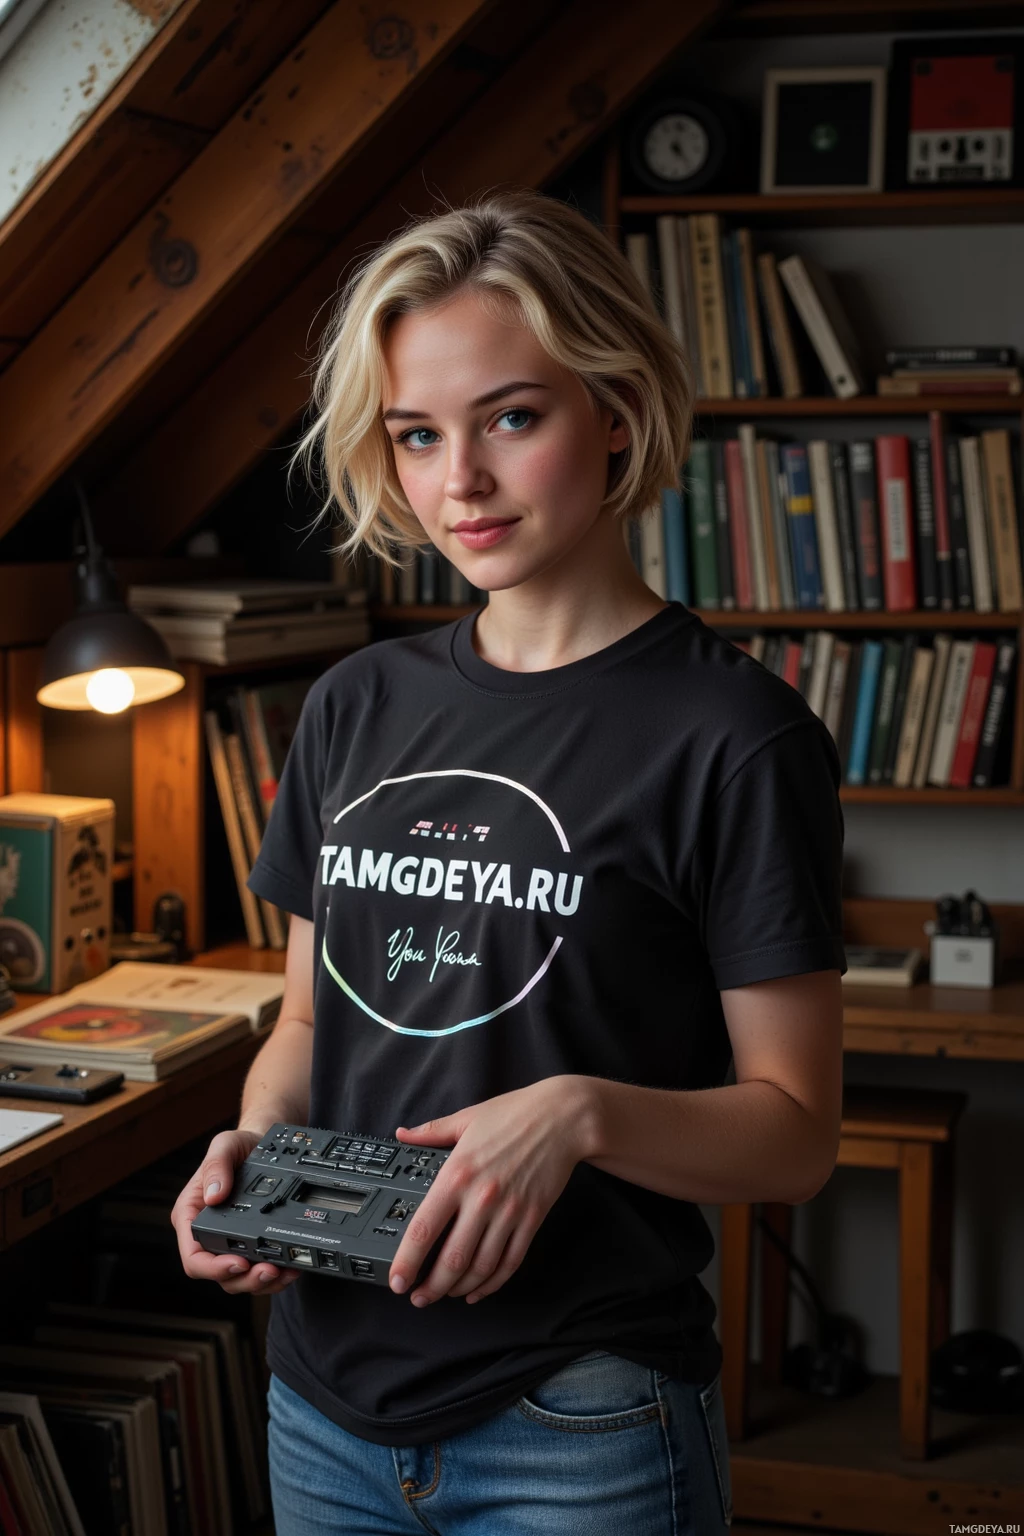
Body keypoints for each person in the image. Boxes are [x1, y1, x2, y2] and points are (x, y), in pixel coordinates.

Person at [171, 188, 847, 1535]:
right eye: (418, 435)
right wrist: (253, 1151)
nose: (459, 483)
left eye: (512, 418)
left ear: (617, 409)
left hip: (578, 1420)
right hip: (321, 1403)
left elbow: (796, 1136)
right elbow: (308, 1023)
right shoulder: (353, 705)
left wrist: (579, 1113)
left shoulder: (737, 737)